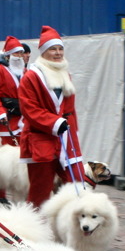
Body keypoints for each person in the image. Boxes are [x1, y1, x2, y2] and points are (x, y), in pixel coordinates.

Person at [18, 25, 88, 208]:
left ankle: (73, 225)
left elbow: (70, 110)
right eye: (53, 49)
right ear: (43, 52)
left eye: (60, 49)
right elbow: (29, 109)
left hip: (67, 139)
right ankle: (32, 228)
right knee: (40, 191)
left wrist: (73, 132)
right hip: (40, 139)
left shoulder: (66, 74)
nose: (57, 53)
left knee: (78, 183)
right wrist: (55, 122)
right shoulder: (31, 77)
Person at [0, 35, 26, 201]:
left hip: (22, 120)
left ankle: (20, 193)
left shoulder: (26, 72)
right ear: (7, 55)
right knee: (1, 160)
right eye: (16, 53)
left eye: (21, 53)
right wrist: (0, 112)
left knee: (20, 159)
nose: (19, 56)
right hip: (5, 120)